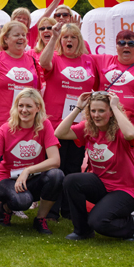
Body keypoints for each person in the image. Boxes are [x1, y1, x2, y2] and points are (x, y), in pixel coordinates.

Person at [55, 91, 134, 242]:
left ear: (110, 112)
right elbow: (59, 133)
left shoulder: (120, 131)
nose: (96, 115)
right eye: (93, 111)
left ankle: (131, 225)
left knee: (98, 222)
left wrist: (115, 108)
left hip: (127, 190)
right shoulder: (89, 128)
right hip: (103, 185)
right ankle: (82, 231)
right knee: (71, 180)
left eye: (102, 110)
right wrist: (78, 108)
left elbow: (130, 134)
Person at [0, 88, 62, 234]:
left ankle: (40, 219)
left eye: (29, 106)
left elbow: (55, 160)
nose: (24, 110)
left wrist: (27, 170)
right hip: (6, 178)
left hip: (31, 177)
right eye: (21, 106)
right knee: (22, 201)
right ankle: (5, 209)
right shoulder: (6, 129)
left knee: (57, 175)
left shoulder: (45, 126)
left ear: (38, 108)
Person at [39, 22, 100, 218]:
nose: (69, 40)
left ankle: (70, 209)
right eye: (65, 37)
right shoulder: (55, 58)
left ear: (79, 40)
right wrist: (54, 37)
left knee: (74, 166)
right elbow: (43, 63)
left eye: (73, 37)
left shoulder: (89, 61)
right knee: (56, 165)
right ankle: (52, 210)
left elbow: (96, 87)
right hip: (56, 122)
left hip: (80, 124)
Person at [0, 21, 42, 157]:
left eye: (23, 35)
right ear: (6, 38)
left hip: (26, 125)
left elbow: (37, 94)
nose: (21, 38)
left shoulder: (33, 61)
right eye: (16, 35)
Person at [97, 30, 134, 168]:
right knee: (106, 167)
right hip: (106, 125)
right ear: (116, 46)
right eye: (121, 43)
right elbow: (81, 54)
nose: (126, 46)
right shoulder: (104, 60)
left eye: (131, 43)